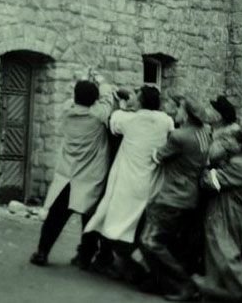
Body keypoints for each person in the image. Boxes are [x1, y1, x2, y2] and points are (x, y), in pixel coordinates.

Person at [84, 85, 174, 281]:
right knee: (136, 227)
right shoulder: (165, 121)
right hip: (151, 183)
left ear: (140, 102)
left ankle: (142, 268)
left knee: (114, 227)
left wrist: (121, 101)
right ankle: (128, 265)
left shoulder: (129, 119)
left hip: (128, 184)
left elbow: (113, 120)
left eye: (136, 96)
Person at [30, 78, 115, 268]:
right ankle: (85, 257)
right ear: (94, 100)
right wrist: (101, 81)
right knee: (90, 217)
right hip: (90, 175)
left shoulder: (67, 111)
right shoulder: (97, 116)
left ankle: (42, 251)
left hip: (67, 174)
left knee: (56, 216)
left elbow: (73, 96)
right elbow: (108, 98)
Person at [139, 96, 212, 300]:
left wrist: (153, 149)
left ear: (186, 114)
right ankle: (161, 282)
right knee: (168, 243)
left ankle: (183, 284)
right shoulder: (204, 133)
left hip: (172, 196)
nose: (176, 111)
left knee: (149, 241)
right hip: (190, 197)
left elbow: (157, 157)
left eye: (179, 108)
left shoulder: (179, 136)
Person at [193, 127, 242, 302]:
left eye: (232, 140)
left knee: (224, 252)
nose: (228, 142)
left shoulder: (239, 164)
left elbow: (211, 182)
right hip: (228, 211)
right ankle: (212, 291)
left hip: (226, 213)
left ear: (239, 144)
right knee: (218, 253)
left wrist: (206, 172)